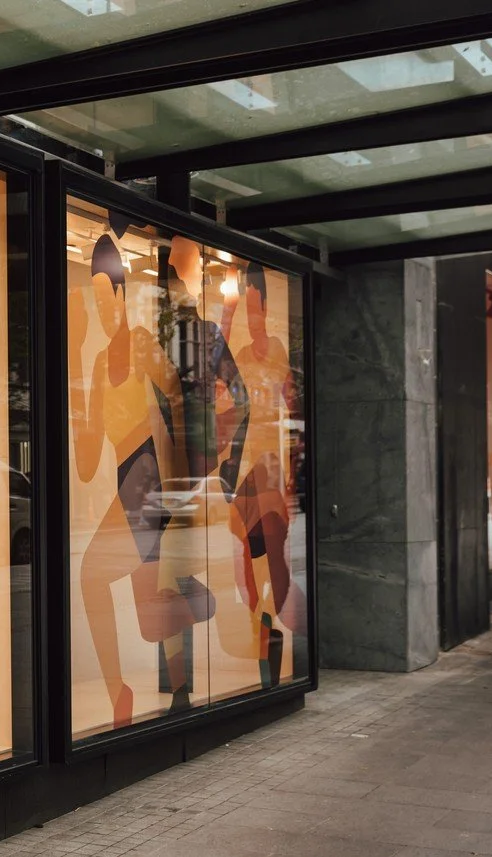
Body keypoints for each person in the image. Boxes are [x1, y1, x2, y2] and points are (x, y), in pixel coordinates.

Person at [70, 232, 202, 729]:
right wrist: (73, 368)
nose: (105, 310)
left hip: (150, 478)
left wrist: (181, 482)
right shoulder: (99, 364)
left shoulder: (145, 345)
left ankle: (129, 692)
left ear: (125, 295)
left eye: (110, 297)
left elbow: (180, 402)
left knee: (92, 576)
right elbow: (85, 464)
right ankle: (176, 691)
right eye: (96, 301)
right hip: (129, 482)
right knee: (151, 610)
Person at [225, 262, 307, 687]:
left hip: (269, 468)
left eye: (257, 309)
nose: (253, 318)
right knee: (250, 561)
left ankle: (270, 637)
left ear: (268, 309)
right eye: (248, 310)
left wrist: (291, 474)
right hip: (246, 470)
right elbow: (228, 405)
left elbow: (292, 414)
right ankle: (264, 631)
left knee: (271, 558)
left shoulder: (277, 351)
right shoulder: (239, 356)